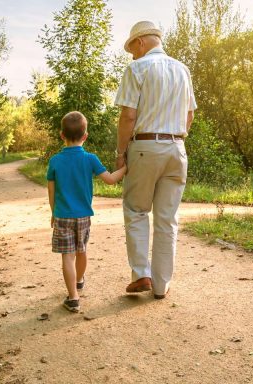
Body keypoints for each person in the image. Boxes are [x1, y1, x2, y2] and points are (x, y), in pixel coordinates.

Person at [114, 21, 197, 300]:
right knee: (167, 219)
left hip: (145, 147)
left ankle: (141, 274)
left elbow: (128, 116)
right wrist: (176, 137)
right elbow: (189, 116)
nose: (132, 55)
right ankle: (161, 285)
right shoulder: (183, 69)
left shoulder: (137, 68)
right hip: (177, 148)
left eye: (132, 49)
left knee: (137, 210)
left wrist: (120, 153)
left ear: (140, 43)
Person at [47, 111, 127, 312]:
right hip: (83, 215)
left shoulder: (55, 161)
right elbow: (109, 179)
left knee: (67, 256)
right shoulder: (90, 159)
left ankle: (73, 297)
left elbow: (51, 190)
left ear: (61, 135)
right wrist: (127, 168)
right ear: (85, 135)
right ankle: (79, 279)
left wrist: (53, 212)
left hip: (62, 215)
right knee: (81, 250)